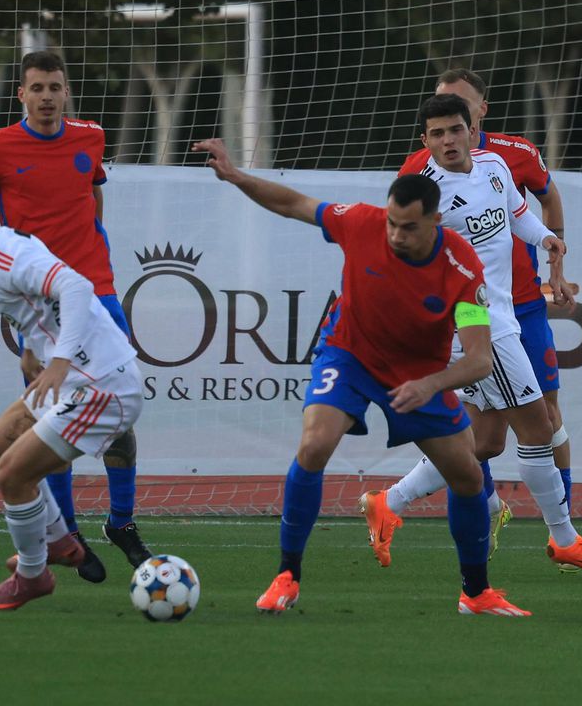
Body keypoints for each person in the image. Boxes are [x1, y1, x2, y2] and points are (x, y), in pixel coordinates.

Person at [192, 137, 531, 618]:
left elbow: (478, 359)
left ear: (436, 222)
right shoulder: (362, 222)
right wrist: (235, 175)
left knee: (468, 476)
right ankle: (287, 577)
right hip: (349, 353)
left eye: (408, 228)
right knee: (313, 446)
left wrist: (431, 384)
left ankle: (475, 593)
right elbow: (293, 203)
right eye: (392, 223)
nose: (395, 235)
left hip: (418, 372)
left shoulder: (461, 267)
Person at [360, 94, 582, 576]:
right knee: (539, 427)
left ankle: (388, 502)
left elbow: (516, 214)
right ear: (425, 142)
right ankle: (563, 538)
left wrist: (545, 237)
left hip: (501, 315)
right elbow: (401, 259)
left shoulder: (496, 165)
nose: (448, 140)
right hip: (479, 326)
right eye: (437, 134)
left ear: (470, 130)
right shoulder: (423, 197)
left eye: (455, 130)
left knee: (483, 443)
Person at [0, 51, 148, 582]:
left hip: (97, 290)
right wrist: (0, 240)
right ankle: (70, 533)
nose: (45, 96)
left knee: (121, 414)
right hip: (40, 301)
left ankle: (121, 522)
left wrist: (92, 252)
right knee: (52, 417)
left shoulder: (90, 137)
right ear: (22, 95)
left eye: (54, 87)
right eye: (36, 87)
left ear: (66, 92)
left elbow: (93, 196)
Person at [0, 185, 144, 611]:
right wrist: (32, 351)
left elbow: (74, 287)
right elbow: (36, 305)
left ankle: (32, 576)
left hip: (102, 384)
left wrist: (58, 360)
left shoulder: (2, 257)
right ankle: (59, 542)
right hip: (75, 377)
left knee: (12, 476)